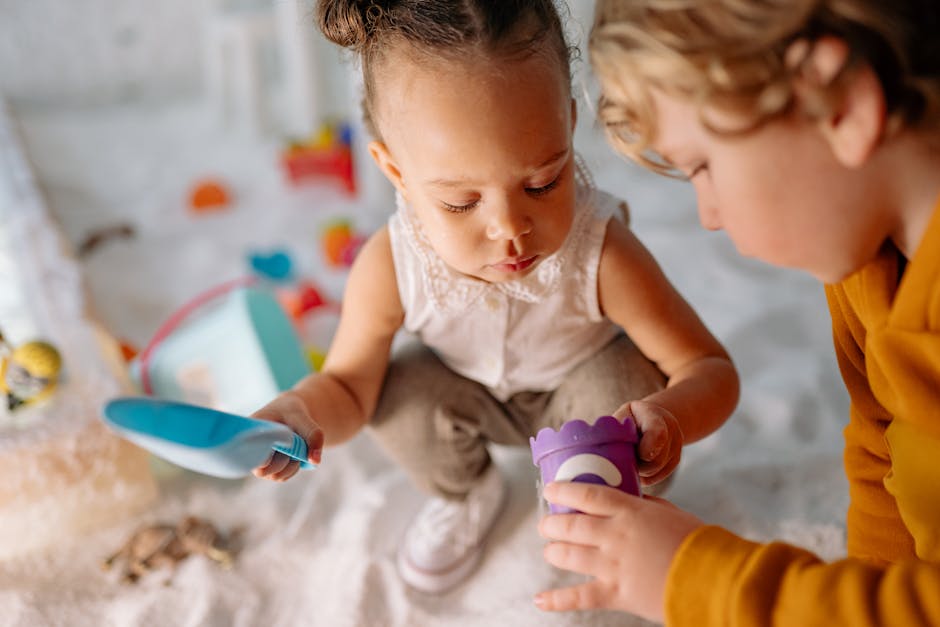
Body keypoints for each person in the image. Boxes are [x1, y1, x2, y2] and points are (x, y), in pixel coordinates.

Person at [251, 0, 739, 595]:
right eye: (460, 202)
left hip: (583, 396)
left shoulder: (601, 251)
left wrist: (671, 418)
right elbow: (350, 387)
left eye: (542, 182)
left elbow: (709, 368)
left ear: (568, 122)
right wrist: (302, 412)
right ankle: (467, 491)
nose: (510, 227)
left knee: (628, 389)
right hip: (467, 397)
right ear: (395, 171)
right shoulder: (392, 264)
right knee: (395, 396)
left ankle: (594, 496)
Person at [535, 0, 940, 623]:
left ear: (840, 106)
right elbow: (881, 457)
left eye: (703, 167)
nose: (710, 215)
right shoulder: (868, 267)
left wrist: (698, 578)